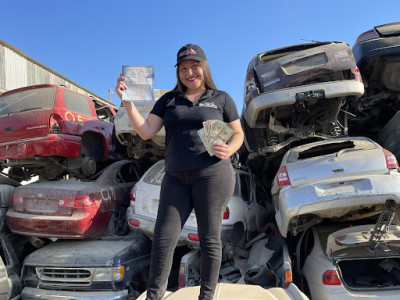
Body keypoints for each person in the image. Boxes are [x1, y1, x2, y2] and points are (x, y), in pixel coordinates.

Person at [115, 43, 244, 300]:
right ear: (178, 73)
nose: (189, 72)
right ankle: (154, 296)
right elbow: (146, 131)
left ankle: (206, 297)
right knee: (163, 240)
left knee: (209, 239)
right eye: (183, 68)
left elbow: (239, 133)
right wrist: (127, 104)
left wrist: (228, 149)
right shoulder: (168, 100)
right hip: (174, 176)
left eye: (194, 66)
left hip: (213, 174)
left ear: (204, 67)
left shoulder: (221, 98)